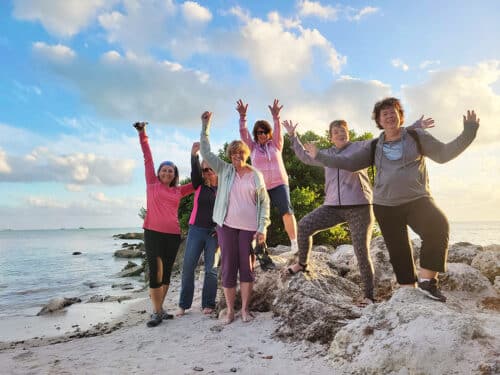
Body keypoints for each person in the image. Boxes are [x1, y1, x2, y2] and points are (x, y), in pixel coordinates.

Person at [305, 98, 480, 302]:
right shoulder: (374, 145)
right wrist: (320, 156)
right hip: (385, 206)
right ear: (379, 120)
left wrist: (469, 132)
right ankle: (408, 290)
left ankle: (427, 282)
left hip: (417, 199)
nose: (389, 115)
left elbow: (443, 154)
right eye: (384, 113)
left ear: (400, 116)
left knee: (438, 226)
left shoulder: (416, 136)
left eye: (393, 112)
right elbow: (349, 163)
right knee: (398, 248)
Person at [282, 117, 433, 304]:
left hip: (360, 207)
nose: (340, 133)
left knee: (361, 251)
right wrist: (292, 136)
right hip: (332, 207)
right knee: (304, 226)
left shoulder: (360, 148)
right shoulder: (325, 153)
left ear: (349, 133)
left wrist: (415, 127)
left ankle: (369, 296)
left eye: (343, 130)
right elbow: (304, 156)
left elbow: (386, 137)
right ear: (330, 137)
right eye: (336, 131)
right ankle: (303, 264)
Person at [200, 111, 270, 324]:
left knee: (246, 269)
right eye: (233, 154)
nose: (236, 157)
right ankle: (230, 310)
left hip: (249, 228)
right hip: (227, 226)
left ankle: (245, 310)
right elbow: (206, 151)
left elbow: (264, 203)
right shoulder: (224, 169)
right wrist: (205, 126)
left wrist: (263, 227)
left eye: (240, 153)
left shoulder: (256, 175)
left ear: (246, 154)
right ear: (229, 156)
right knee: (228, 268)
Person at [134, 121, 194, 327]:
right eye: (164, 170)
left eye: (171, 171)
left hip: (173, 235)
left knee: (167, 272)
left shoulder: (179, 190)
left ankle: (160, 310)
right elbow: (147, 157)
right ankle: (157, 311)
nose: (167, 173)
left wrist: (196, 157)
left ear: (175, 175)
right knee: (156, 272)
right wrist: (143, 133)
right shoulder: (151, 183)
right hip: (152, 233)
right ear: (158, 173)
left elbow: (197, 183)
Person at [237, 99, 298, 252]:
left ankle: (295, 244)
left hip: (279, 184)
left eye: (265, 131)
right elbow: (243, 133)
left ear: (269, 133)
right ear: (256, 134)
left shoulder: (276, 144)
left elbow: (278, 129)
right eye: (259, 132)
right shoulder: (252, 148)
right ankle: (259, 246)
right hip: (261, 185)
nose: (262, 134)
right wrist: (243, 117)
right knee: (260, 217)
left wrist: (276, 117)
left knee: (287, 211)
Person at [177, 142, 219, 316]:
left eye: (210, 169)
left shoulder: (224, 188)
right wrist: (194, 155)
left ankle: (208, 303)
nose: (207, 172)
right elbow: (194, 171)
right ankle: (184, 305)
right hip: (196, 230)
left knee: (211, 269)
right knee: (188, 268)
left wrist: (221, 228)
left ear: (216, 169)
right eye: (204, 170)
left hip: (214, 233)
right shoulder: (199, 184)